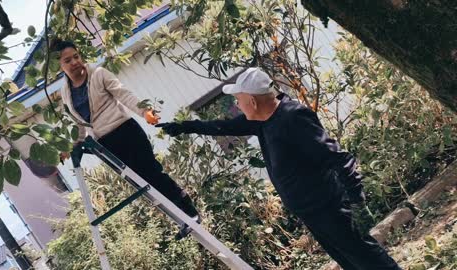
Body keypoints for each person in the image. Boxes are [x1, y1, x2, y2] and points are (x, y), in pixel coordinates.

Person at [157, 68, 402, 269]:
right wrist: (184, 126)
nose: (237, 105)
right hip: (311, 212)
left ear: (252, 100)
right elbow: (222, 127)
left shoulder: (292, 117)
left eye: (239, 100)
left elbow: (338, 157)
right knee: (349, 262)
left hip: (330, 206)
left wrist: (357, 202)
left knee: (367, 258)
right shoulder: (260, 122)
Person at [52, 40, 199, 239]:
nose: (75, 62)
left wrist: (144, 111)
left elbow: (124, 94)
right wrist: (72, 146)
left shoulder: (99, 74)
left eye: (76, 56)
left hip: (126, 131)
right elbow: (80, 124)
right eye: (68, 60)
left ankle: (190, 212)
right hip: (106, 144)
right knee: (141, 184)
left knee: (151, 172)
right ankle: (180, 219)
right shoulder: (65, 92)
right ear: (60, 66)